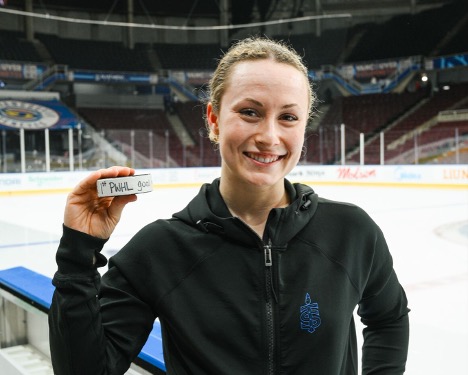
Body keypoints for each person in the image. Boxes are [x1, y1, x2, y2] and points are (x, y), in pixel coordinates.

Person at [49, 37, 410, 375]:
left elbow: (389, 318)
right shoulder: (160, 249)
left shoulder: (351, 230)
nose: (269, 137)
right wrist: (78, 255)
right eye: (250, 112)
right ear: (214, 119)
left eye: (288, 117)